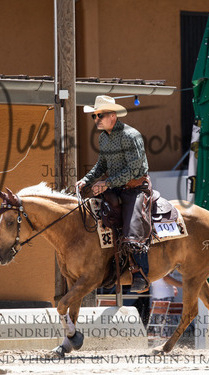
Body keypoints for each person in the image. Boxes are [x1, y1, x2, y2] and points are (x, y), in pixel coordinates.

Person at [76, 95, 152, 293]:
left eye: (99, 115)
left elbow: (134, 169)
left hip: (136, 187)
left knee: (132, 225)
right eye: (94, 116)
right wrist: (86, 180)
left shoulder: (131, 136)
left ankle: (140, 274)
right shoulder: (103, 137)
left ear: (112, 115)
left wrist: (107, 183)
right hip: (116, 187)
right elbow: (102, 164)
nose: (96, 119)